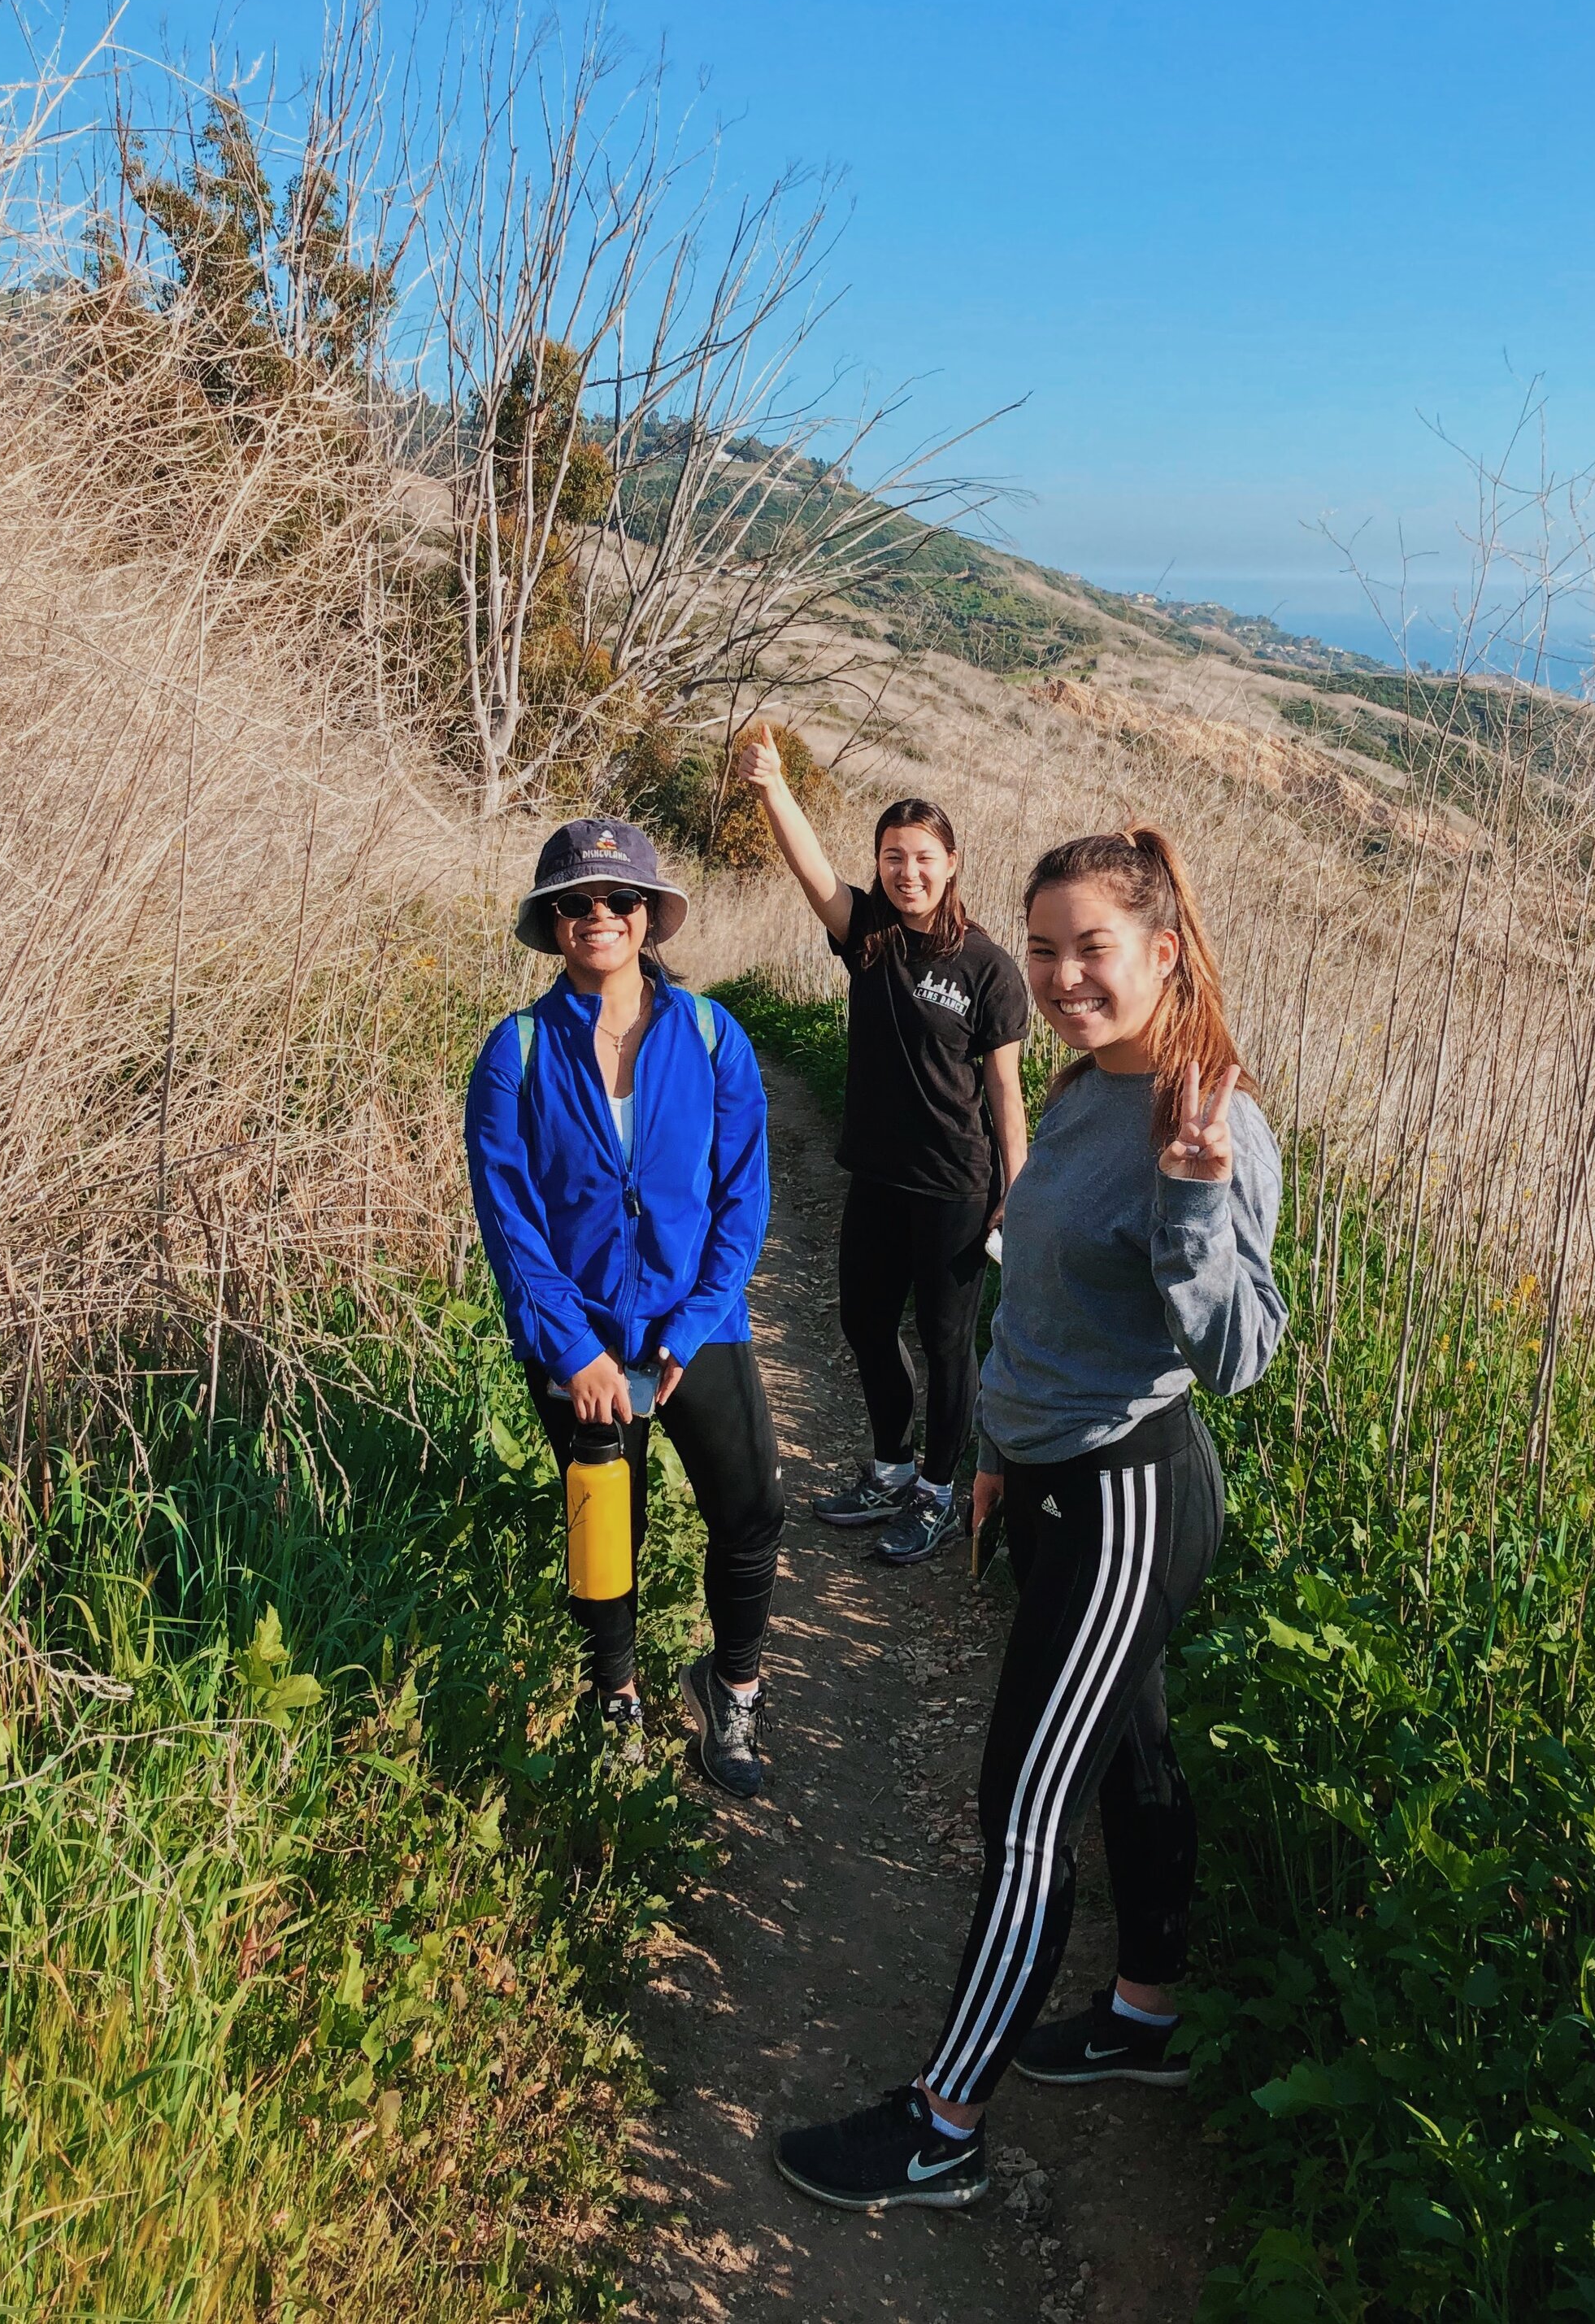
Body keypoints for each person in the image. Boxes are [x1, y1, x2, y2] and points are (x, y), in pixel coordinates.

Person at [772, 824, 1288, 2209]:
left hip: (1131, 1496)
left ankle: (941, 2127)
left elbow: (1240, 1353)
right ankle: (1145, 2015)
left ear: (1163, 950)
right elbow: (1042, 1295)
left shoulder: (1208, 1119)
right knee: (1130, 1749)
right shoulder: (1083, 1086)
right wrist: (1000, 1441)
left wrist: (1196, 1201)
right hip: (1056, 1479)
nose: (1062, 976)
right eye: (1045, 948)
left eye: (1092, 949)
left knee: (1025, 1804)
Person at [463, 818, 782, 1799]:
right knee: (606, 1532)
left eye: (620, 899)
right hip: (580, 1339)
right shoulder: (515, 1052)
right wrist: (573, 1351)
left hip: (699, 1324)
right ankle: (616, 1700)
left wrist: (692, 1323)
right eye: (575, 902)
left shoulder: (712, 1035)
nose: (598, 915)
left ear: (649, 917)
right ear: (551, 922)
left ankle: (732, 1691)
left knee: (750, 1510)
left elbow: (743, 1198)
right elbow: (510, 1222)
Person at [737, 725, 1028, 1565]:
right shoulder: (868, 935)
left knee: (946, 1342)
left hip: (955, 1184)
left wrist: (1018, 1185)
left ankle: (938, 1493)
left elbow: (1004, 1091)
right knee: (865, 1323)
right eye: (893, 857)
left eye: (923, 857)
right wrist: (772, 788)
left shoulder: (988, 968)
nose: (907, 871)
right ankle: (893, 1469)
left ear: (952, 862)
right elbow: (812, 874)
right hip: (876, 1176)